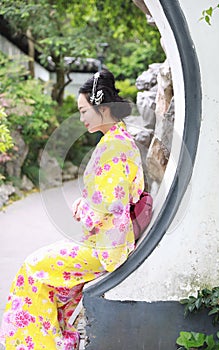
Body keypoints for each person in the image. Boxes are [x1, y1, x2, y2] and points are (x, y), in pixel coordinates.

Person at [0, 69, 144, 349]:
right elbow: (117, 192)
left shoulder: (115, 145)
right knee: (40, 266)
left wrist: (84, 209)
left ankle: (42, 344)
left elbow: (107, 201)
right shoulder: (117, 139)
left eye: (83, 111)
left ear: (102, 108)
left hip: (106, 246)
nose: (81, 118)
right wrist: (87, 203)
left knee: (34, 268)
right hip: (107, 240)